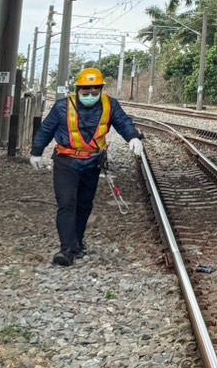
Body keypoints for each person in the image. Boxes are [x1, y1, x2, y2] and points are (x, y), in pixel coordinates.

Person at [30, 68, 143, 267]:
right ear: (78, 90)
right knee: (67, 203)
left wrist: (133, 136)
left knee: (84, 204)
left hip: (92, 163)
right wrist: (37, 151)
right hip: (66, 162)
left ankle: (77, 242)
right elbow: (46, 129)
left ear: (100, 90)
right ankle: (66, 249)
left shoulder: (110, 105)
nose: (89, 96)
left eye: (94, 92)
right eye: (85, 92)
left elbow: (123, 122)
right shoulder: (62, 107)